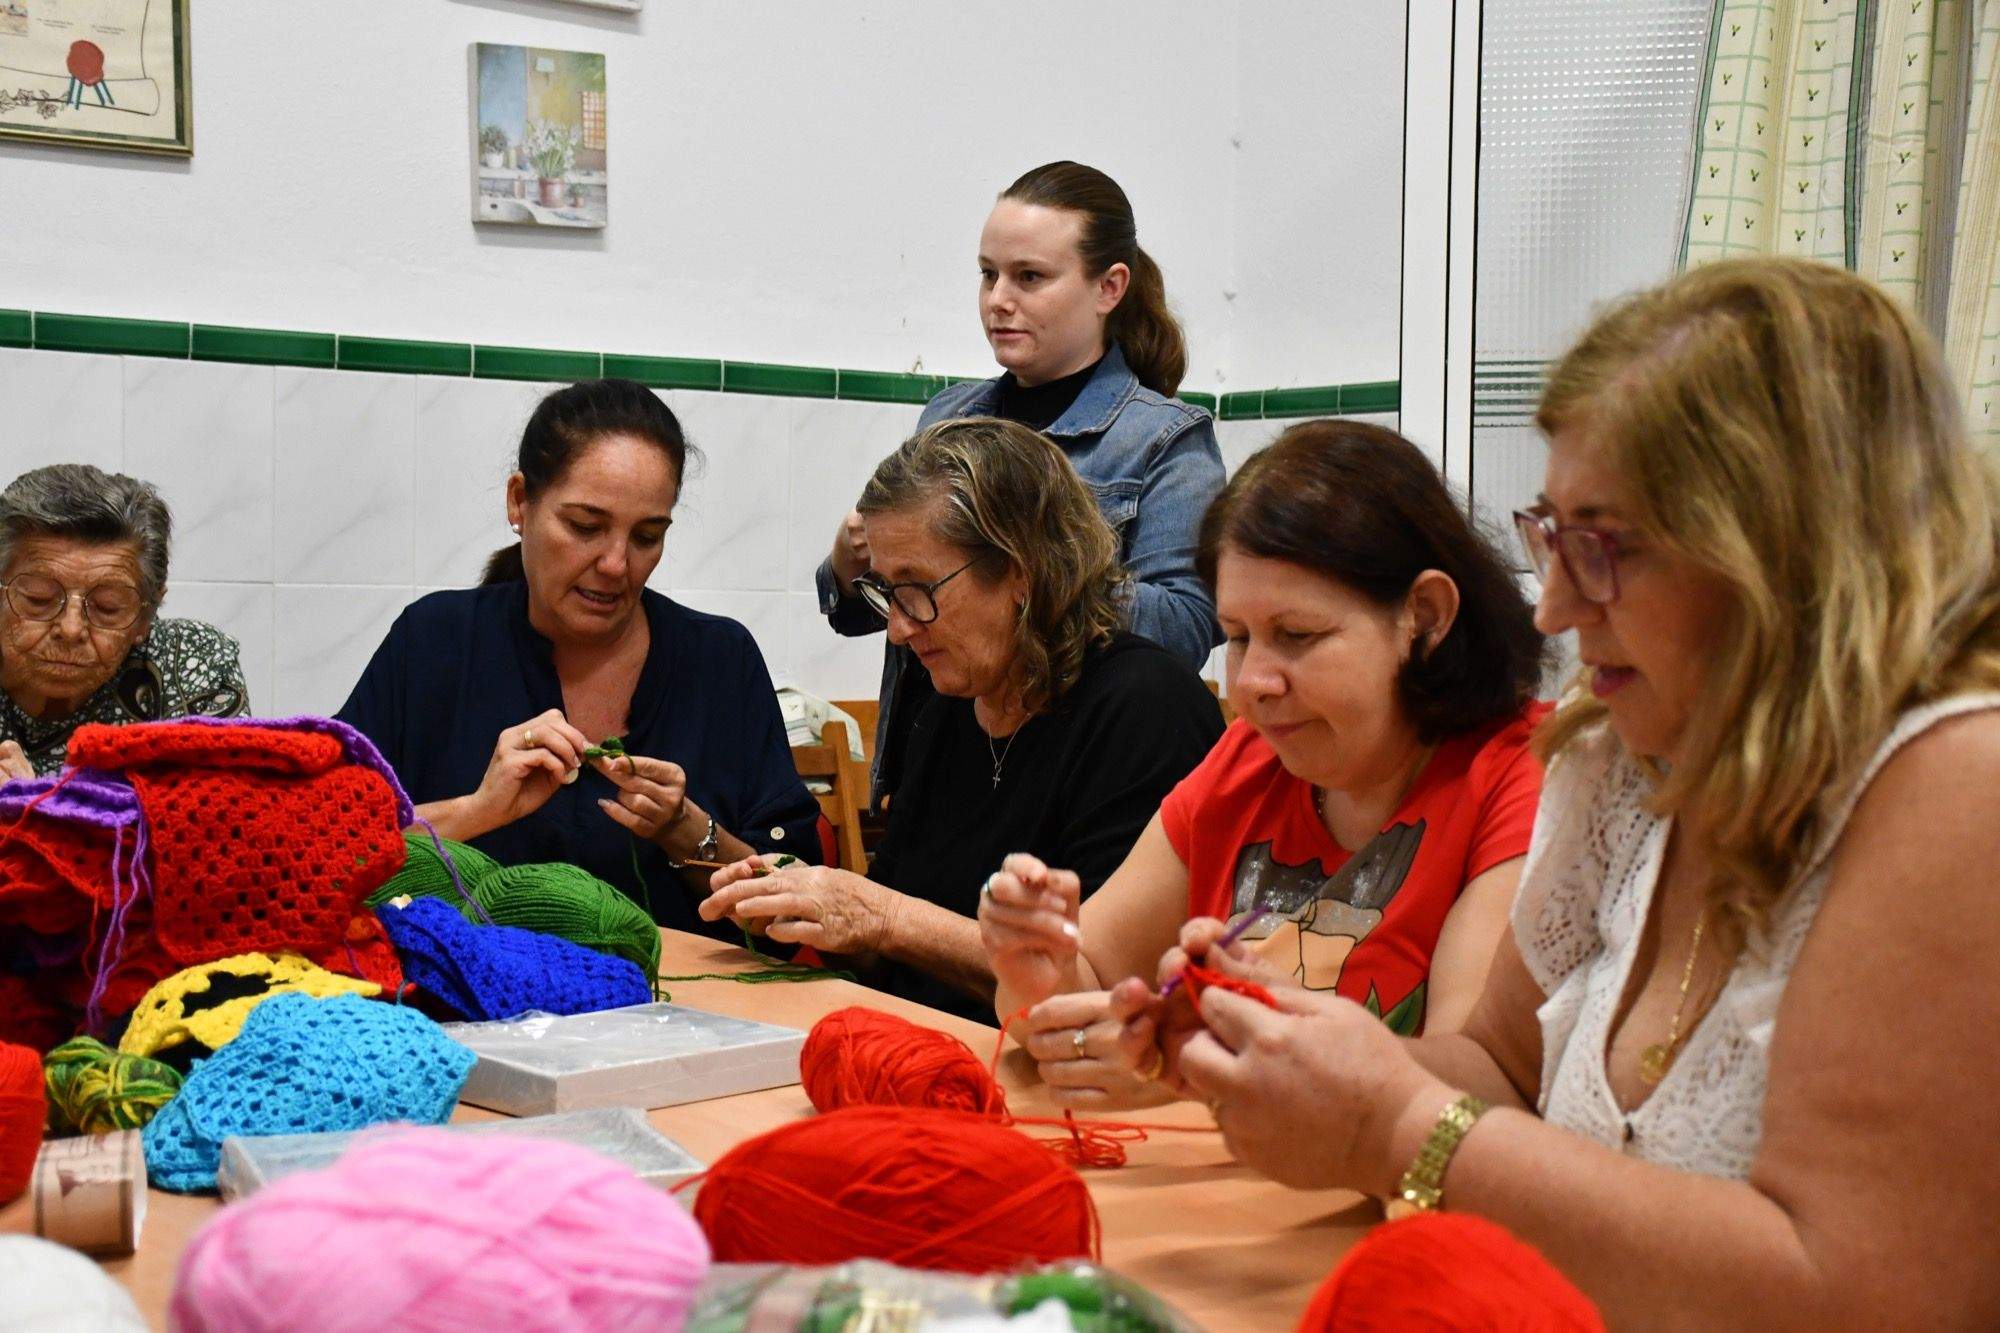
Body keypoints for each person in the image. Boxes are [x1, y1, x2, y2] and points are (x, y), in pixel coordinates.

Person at [1123, 260, 2000, 1324]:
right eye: (1551, 537)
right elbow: (1496, 1062)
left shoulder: (1956, 783)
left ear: (1783, 547)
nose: (1553, 612)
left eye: (1602, 546)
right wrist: (1289, 1055)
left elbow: (1862, 1291)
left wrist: (1395, 1128)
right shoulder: (1621, 761)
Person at [980, 422, 1551, 1104]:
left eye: (1297, 635)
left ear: (1424, 616)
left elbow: (1478, 1082)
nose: (1252, 682)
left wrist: (1200, 1066)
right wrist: (1038, 968)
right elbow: (1091, 978)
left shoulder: (1519, 774)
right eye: (1239, 637)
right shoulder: (1249, 757)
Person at [707, 417, 1222, 1020]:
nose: (898, 627)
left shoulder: (1146, 708)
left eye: (917, 590)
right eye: (884, 594)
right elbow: (894, 959)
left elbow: (1099, 986)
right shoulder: (946, 703)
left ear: (1020, 571)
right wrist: (811, 907)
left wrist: (883, 915)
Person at [337, 379, 819, 935]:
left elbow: (794, 916)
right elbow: (318, 853)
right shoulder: (436, 643)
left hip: (679, 1014)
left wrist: (686, 830)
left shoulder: (720, 661)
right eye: (585, 527)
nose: (616, 564)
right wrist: (477, 810)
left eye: (646, 536)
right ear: (520, 501)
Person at [816, 161, 1226, 803]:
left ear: (1109, 287)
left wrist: (1038, 568)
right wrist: (849, 568)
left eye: (1029, 277)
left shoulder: (1165, 438)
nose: (998, 299)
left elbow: (1186, 629)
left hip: (1065, 775)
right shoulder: (946, 417)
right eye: (988, 274)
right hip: (932, 772)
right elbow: (890, 612)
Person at [0, 463, 247, 778]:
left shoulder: (192, 660)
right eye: (39, 599)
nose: (71, 629)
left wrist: (33, 807)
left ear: (146, 615)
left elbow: (228, 817)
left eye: (107, 607)